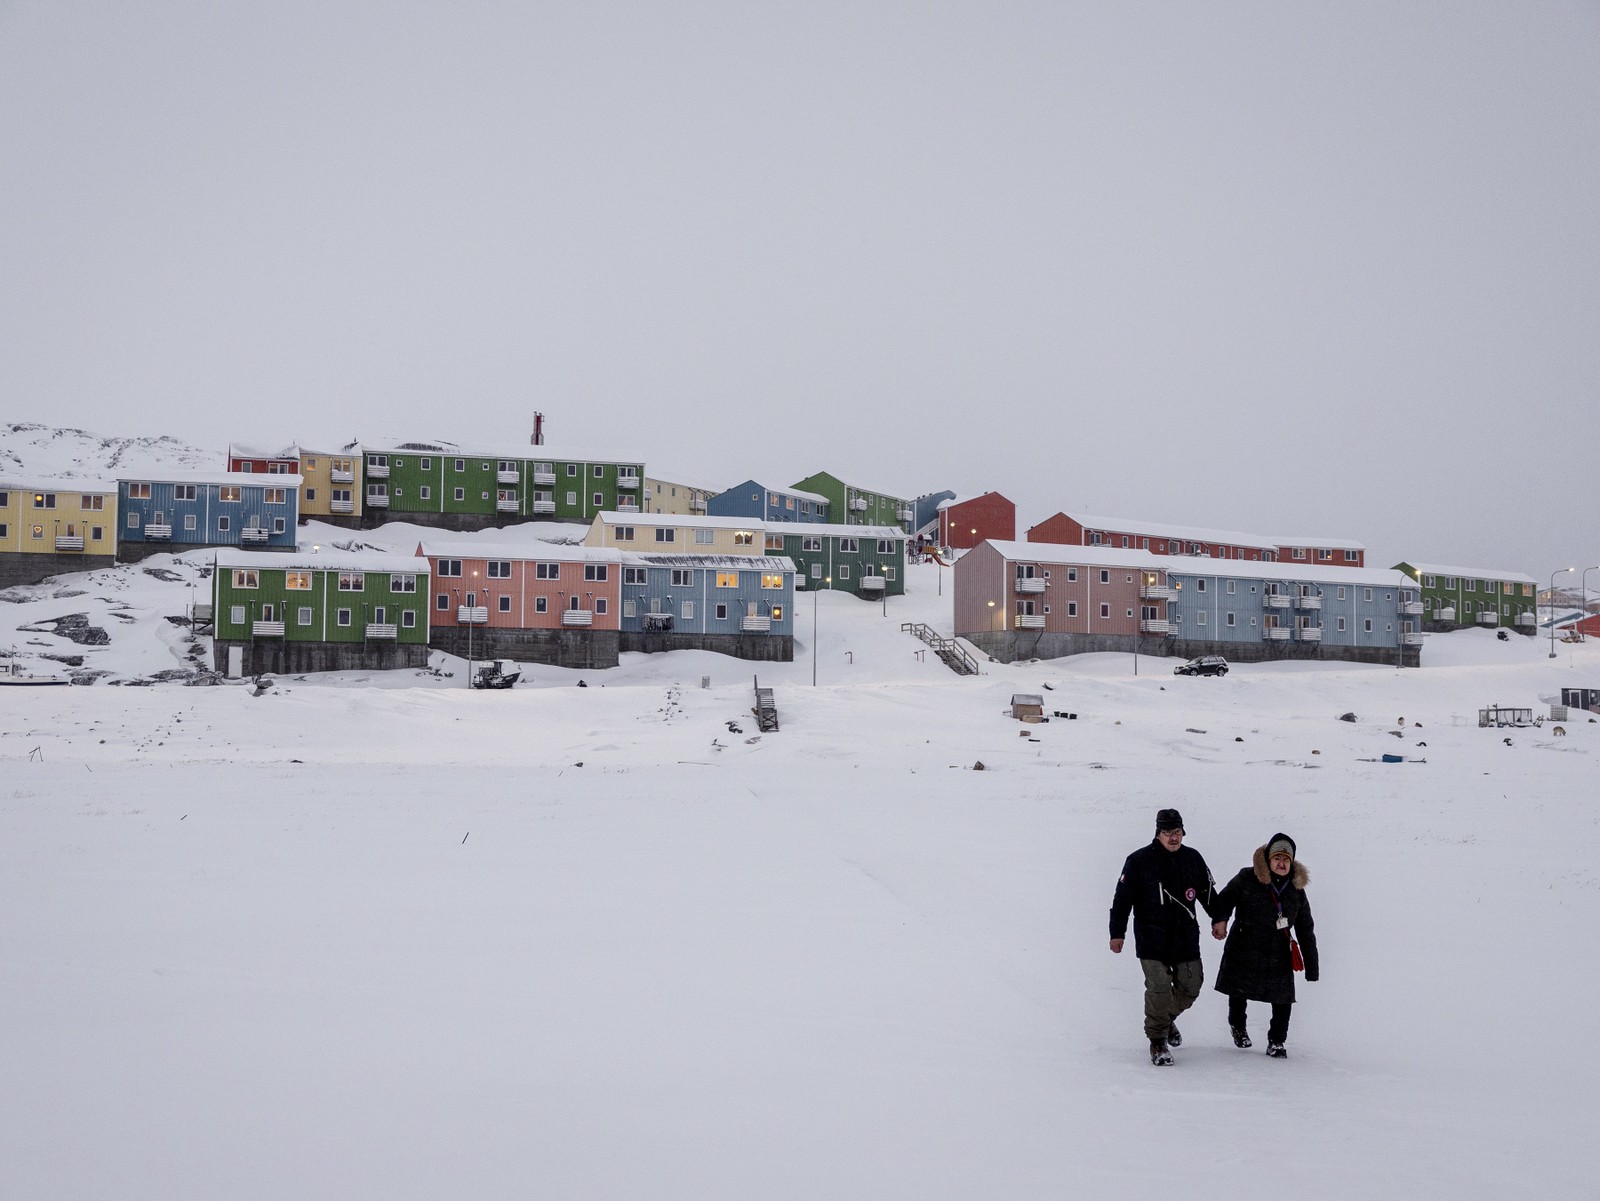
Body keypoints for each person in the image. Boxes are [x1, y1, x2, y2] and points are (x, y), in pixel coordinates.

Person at [1109, 808, 1227, 1066]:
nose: (1173, 837)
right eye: (1167, 832)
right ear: (1157, 833)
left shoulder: (1193, 858)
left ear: (1183, 832)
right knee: (1159, 987)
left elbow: (1207, 894)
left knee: (1191, 986)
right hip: (1151, 937)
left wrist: (1218, 918)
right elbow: (1122, 901)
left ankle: (1164, 1018)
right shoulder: (1138, 861)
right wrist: (1117, 933)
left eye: (1177, 832)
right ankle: (1157, 1040)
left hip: (1185, 936)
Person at [1212, 832, 1319, 1058]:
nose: (1281, 863)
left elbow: (1305, 928)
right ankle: (1238, 1028)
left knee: (1283, 998)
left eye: (1286, 859)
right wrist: (1220, 920)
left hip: (1278, 951)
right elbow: (1225, 899)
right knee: (1238, 990)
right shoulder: (1247, 877)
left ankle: (1277, 1041)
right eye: (1277, 858)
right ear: (1269, 860)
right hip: (1245, 944)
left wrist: (1312, 966)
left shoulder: (1296, 890)